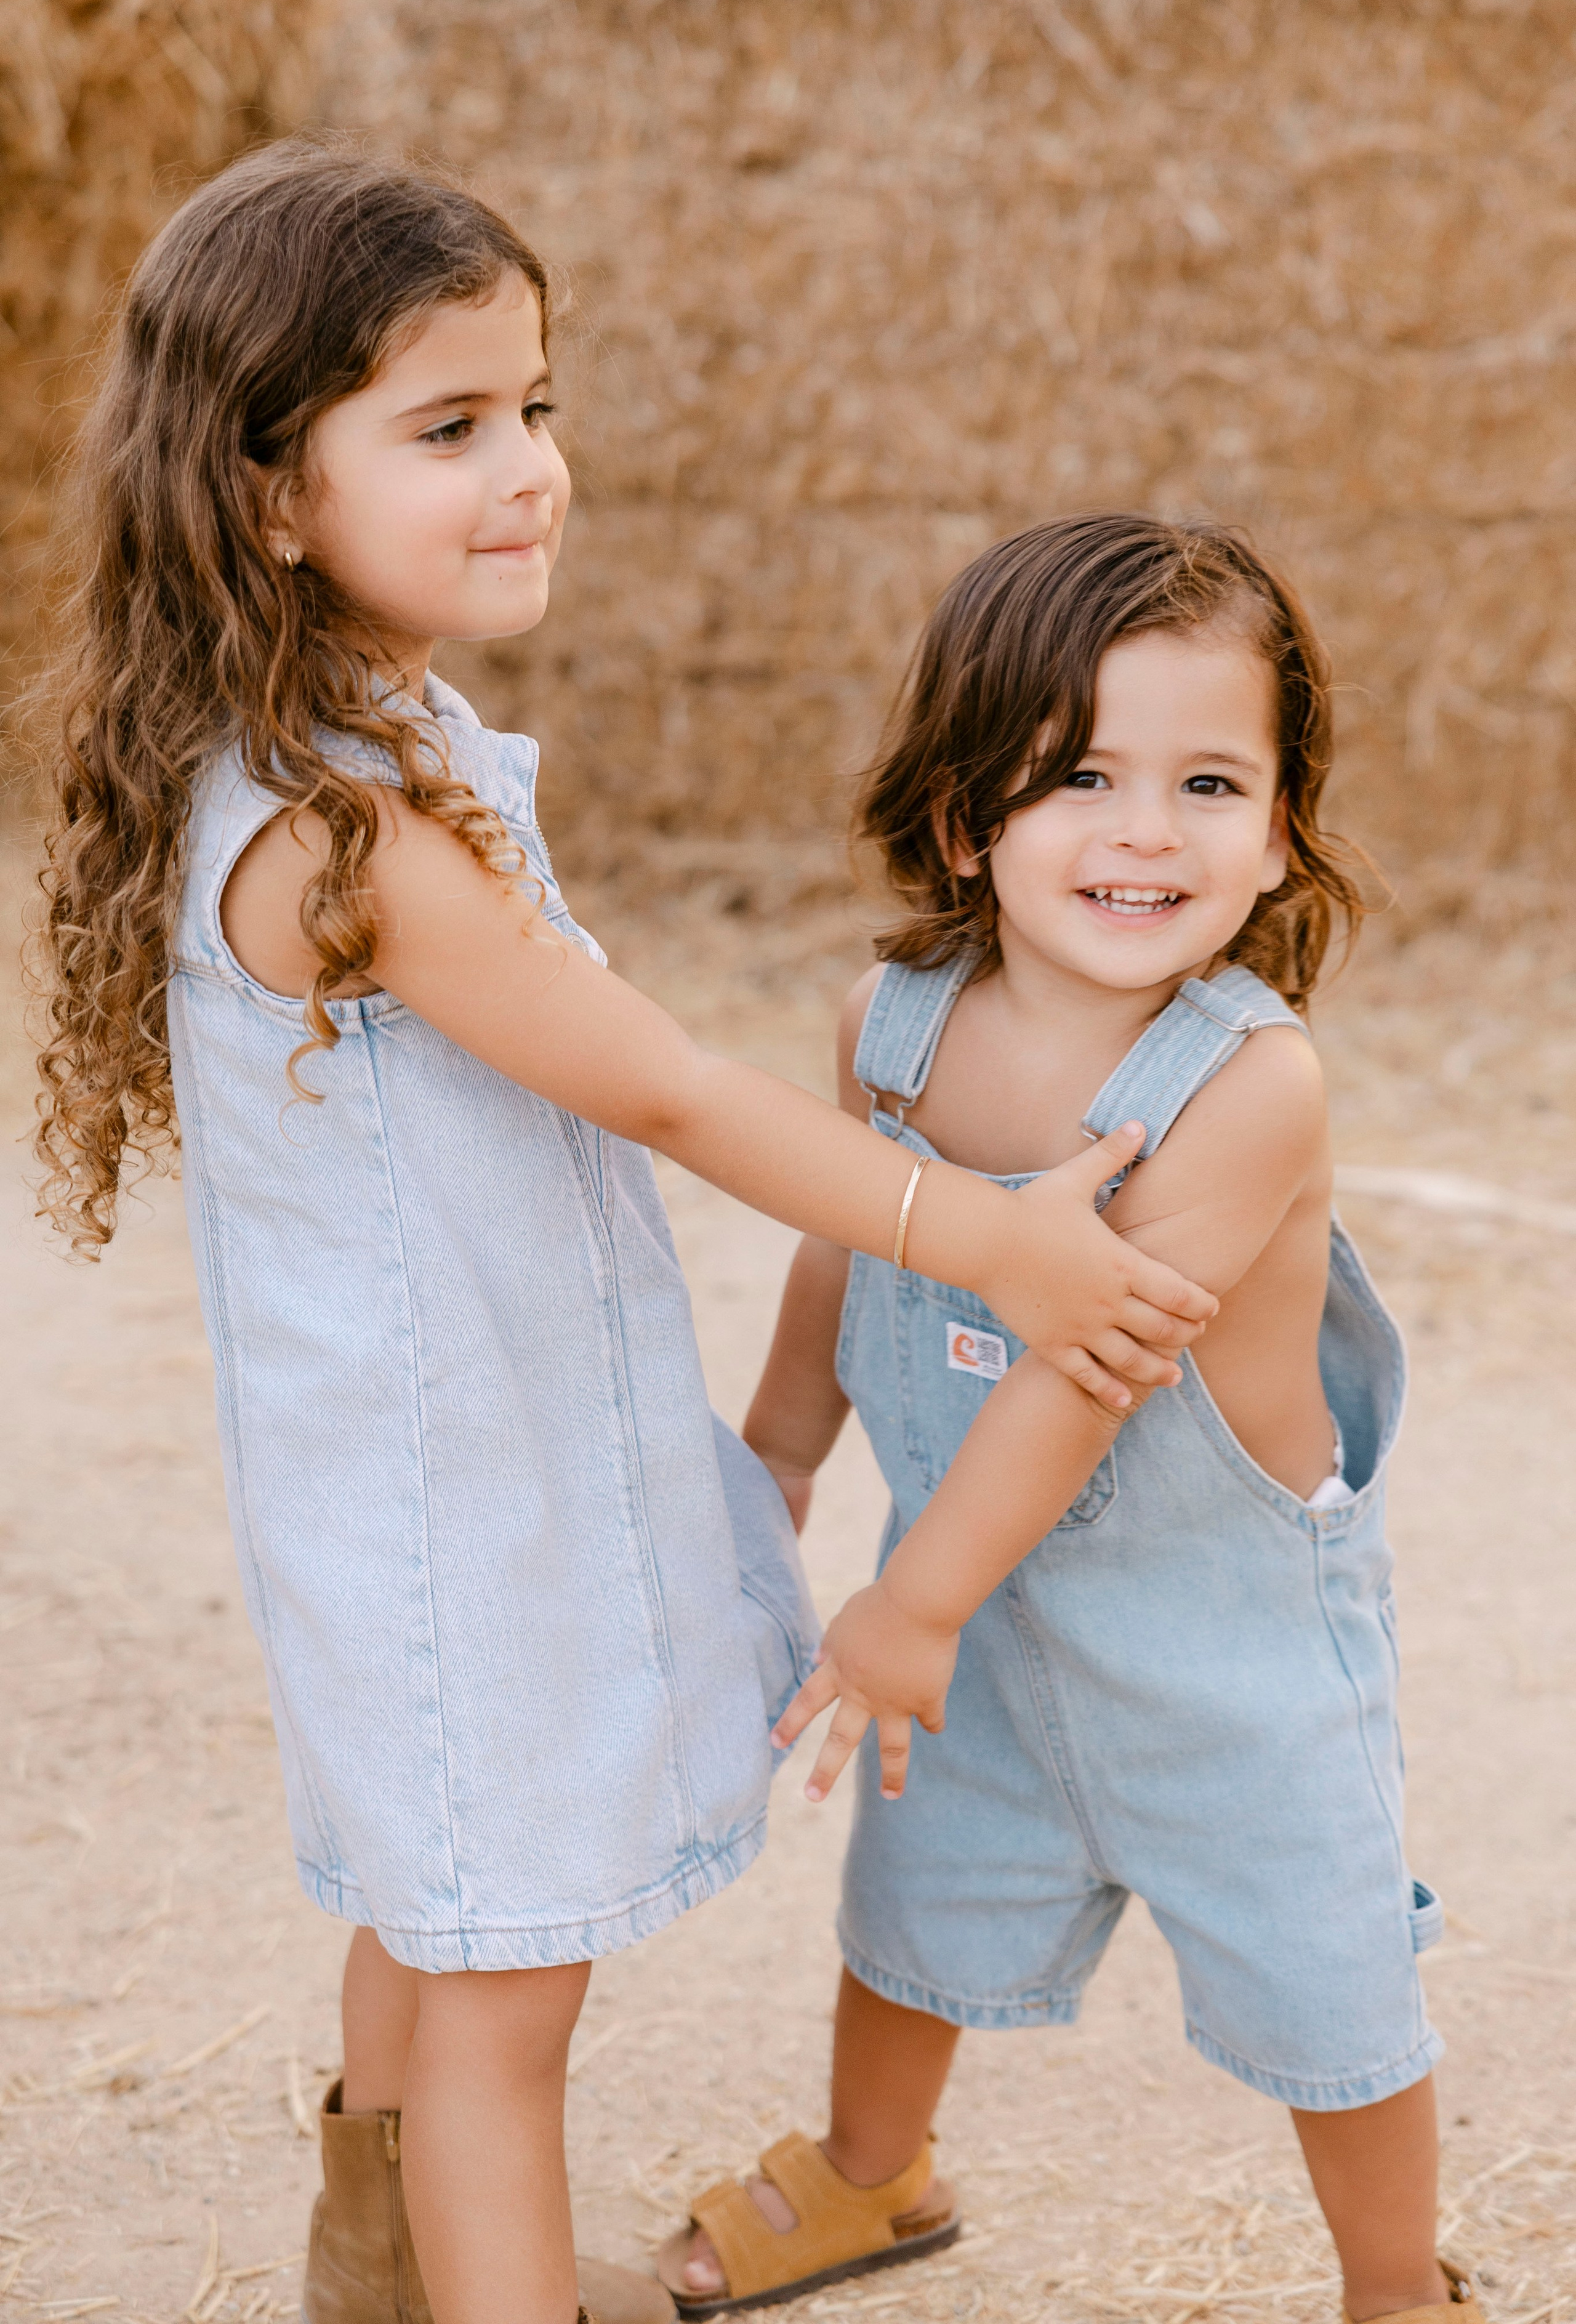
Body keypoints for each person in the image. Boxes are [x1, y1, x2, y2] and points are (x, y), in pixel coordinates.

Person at [28, 150, 1217, 2324]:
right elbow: (664, 1086)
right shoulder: (351, 830)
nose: (531, 473)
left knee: (435, 1907)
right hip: (446, 1513)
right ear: (269, 492)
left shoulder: (339, 748)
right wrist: (991, 1240)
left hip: (431, 1481)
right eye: (451, 427)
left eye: (539, 409)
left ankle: (375, 2274)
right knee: (507, 1999)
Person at [663, 515, 1484, 2324]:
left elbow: (1086, 1367)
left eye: (1209, 781)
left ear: (1277, 829)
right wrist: (787, 1438)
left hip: (1228, 1652)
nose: (1145, 830)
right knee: (915, 1903)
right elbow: (852, 1232)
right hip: (990, 1625)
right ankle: (873, 2175)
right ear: (968, 820)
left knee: (1332, 1976)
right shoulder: (895, 1024)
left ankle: (1396, 2284)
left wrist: (915, 1604)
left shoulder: (1249, 1086)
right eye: (1080, 778)